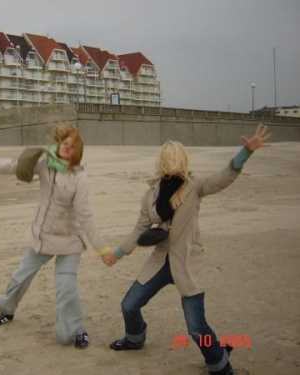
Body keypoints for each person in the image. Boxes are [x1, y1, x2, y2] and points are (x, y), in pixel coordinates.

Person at [105, 123, 271, 375]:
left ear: (181, 160)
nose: (170, 162)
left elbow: (222, 178)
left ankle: (219, 361)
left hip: (187, 264)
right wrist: (116, 253)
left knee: (196, 327)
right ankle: (134, 339)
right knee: (129, 305)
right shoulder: (150, 194)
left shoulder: (194, 187)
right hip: (160, 262)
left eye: (174, 157)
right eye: (166, 157)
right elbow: (139, 229)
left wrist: (245, 153)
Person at [0, 123, 113, 349]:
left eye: (72, 146)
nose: (67, 148)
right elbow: (12, 166)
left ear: (78, 151)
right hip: (41, 237)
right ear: (58, 144)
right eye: (65, 143)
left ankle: (77, 330)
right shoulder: (45, 163)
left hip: (69, 241)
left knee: (66, 288)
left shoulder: (79, 177)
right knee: (20, 278)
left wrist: (102, 249)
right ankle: (6, 311)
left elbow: (85, 216)